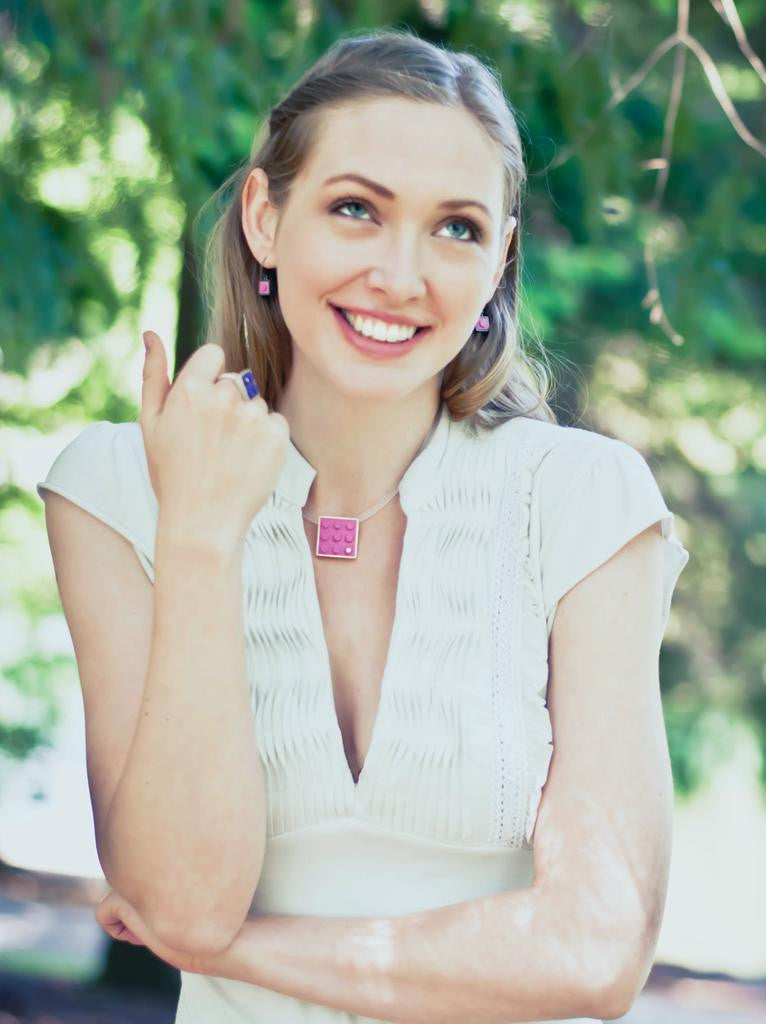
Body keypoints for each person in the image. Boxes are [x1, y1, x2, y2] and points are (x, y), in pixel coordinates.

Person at [37, 27, 690, 1024]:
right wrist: (200, 535)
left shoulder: (581, 500)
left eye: (457, 227)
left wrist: (237, 951)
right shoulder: (116, 488)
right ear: (265, 217)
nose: (401, 274)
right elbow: (183, 899)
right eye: (356, 209)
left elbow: (595, 953)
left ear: (501, 258)